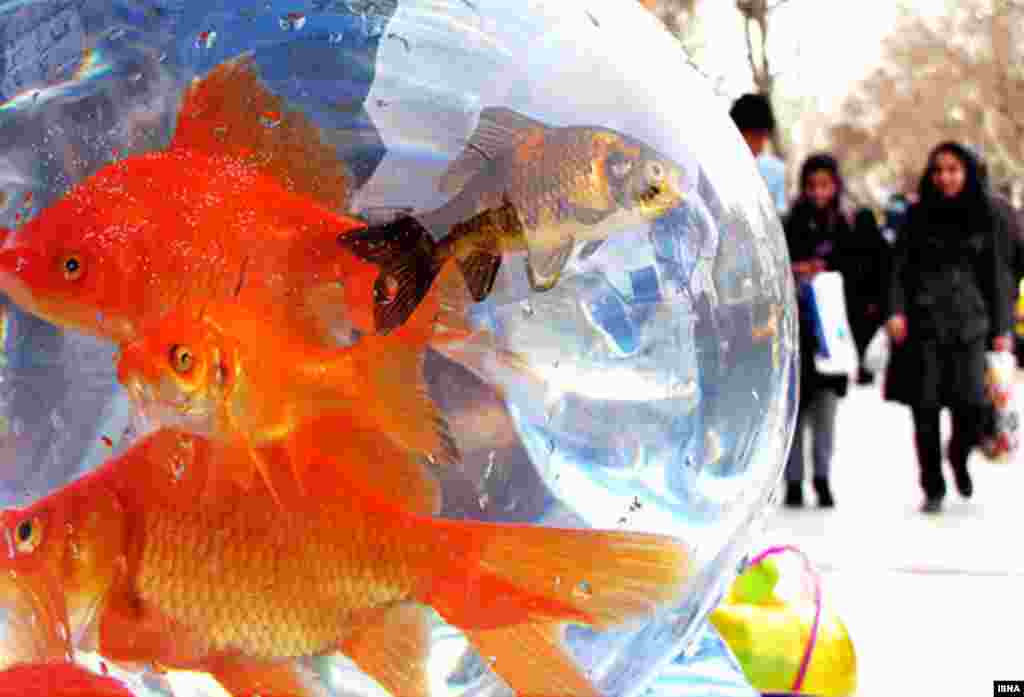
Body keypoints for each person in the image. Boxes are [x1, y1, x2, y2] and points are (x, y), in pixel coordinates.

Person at [884, 142, 1012, 514]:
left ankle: (957, 456)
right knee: (925, 409)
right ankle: (933, 485)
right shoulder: (916, 216)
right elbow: (899, 269)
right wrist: (896, 311)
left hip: (971, 325)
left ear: (967, 172)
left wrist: (1002, 328)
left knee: (971, 406)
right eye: (938, 169)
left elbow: (997, 275)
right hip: (924, 325)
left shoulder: (986, 216)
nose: (945, 177)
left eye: (953, 169)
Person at [782, 154, 852, 508]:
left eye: (824, 185)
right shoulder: (789, 225)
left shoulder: (846, 227)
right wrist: (798, 271)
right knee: (793, 414)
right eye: (811, 186)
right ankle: (793, 481)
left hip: (831, 338)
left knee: (825, 414)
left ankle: (822, 477)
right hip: (798, 337)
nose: (818, 193)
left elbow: (860, 274)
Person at [844, 206, 888, 384]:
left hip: (856, 302)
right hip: (871, 303)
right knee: (867, 338)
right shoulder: (881, 244)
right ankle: (866, 371)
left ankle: (863, 370)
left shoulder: (851, 243)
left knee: (859, 337)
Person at [729, 93, 787, 215]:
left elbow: (779, 216)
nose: (759, 147)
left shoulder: (775, 171)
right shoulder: (716, 171)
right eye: (755, 137)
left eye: (762, 138)